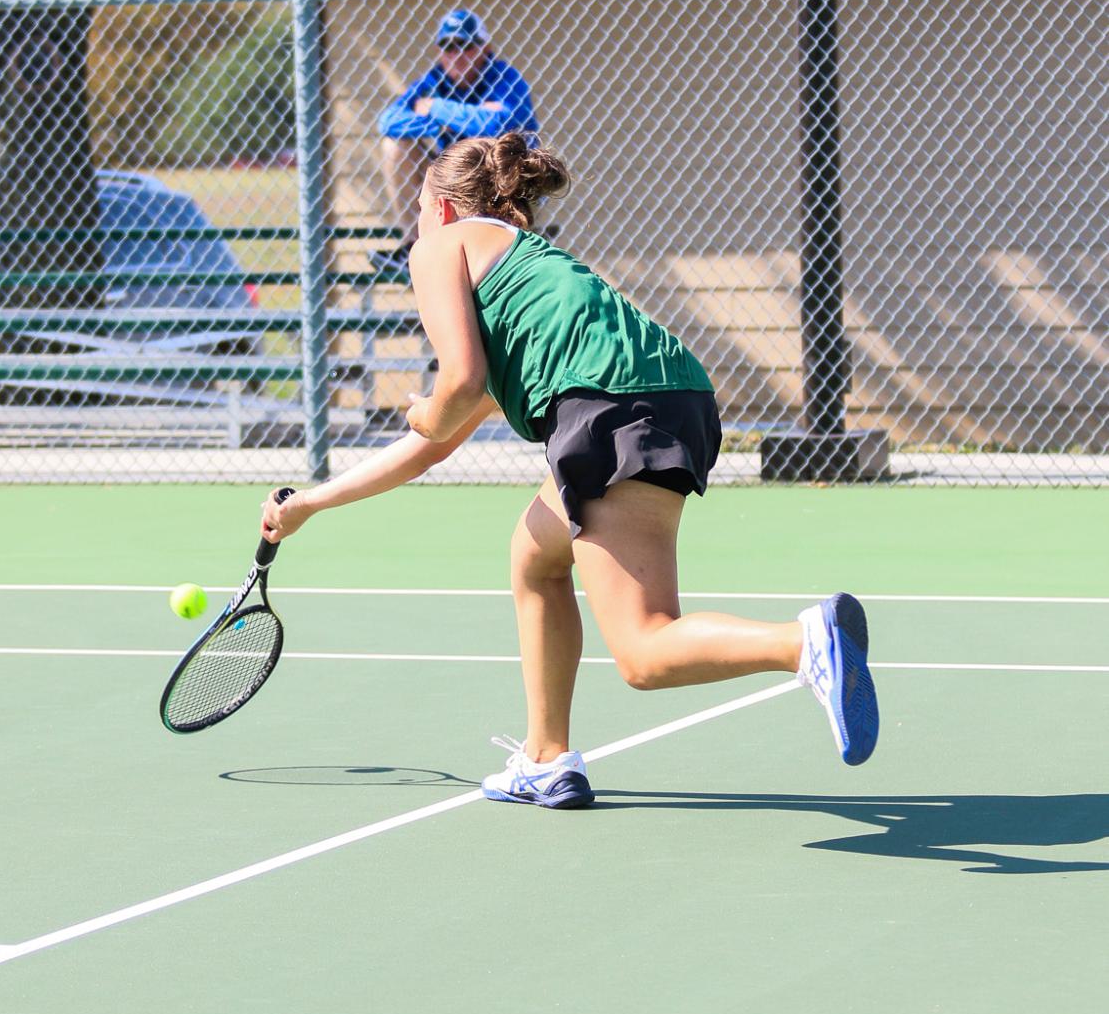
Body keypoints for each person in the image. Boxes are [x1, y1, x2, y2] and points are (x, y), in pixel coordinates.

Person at [262, 131, 879, 810]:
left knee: (643, 652)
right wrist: (312, 503)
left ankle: (804, 642)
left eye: (416, 207)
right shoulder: (524, 274)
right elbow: (438, 442)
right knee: (534, 554)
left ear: (440, 208)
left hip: (609, 408)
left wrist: (427, 411)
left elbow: (457, 389)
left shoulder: (439, 244)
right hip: (672, 395)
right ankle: (546, 758)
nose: (415, 222)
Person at [371, 9, 537, 274]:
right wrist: (457, 118)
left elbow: (494, 126)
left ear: (485, 48)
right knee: (395, 146)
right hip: (455, 177)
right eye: (448, 46)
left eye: (466, 45)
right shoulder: (435, 79)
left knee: (490, 150)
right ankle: (414, 246)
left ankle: (503, 254)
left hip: (503, 178)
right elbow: (388, 122)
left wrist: (435, 107)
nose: (456, 54)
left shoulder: (505, 76)